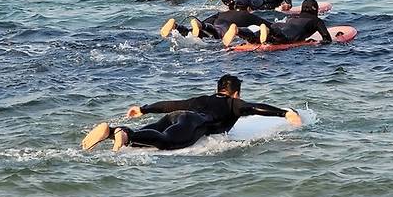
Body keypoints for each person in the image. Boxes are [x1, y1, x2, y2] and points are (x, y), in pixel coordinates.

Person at [81, 74, 302, 152]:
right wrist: (284, 114)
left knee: (152, 131)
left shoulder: (201, 99)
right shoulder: (233, 104)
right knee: (167, 142)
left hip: (176, 115)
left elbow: (172, 104)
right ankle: (127, 136)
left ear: (217, 89)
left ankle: (112, 132)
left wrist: (144, 109)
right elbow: (255, 107)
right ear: (236, 93)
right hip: (193, 123)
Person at [223, 0, 332, 46]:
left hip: (281, 24)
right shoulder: (316, 21)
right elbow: (327, 38)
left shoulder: (295, 16)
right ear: (315, 9)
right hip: (289, 32)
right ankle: (266, 30)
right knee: (279, 38)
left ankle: (238, 30)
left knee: (257, 38)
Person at [160, 0, 272, 40]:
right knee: (217, 34)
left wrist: (200, 24)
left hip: (217, 21)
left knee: (195, 32)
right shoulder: (249, 16)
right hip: (226, 27)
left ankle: (176, 26)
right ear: (248, 8)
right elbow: (269, 26)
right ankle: (200, 27)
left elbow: (208, 20)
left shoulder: (223, 13)